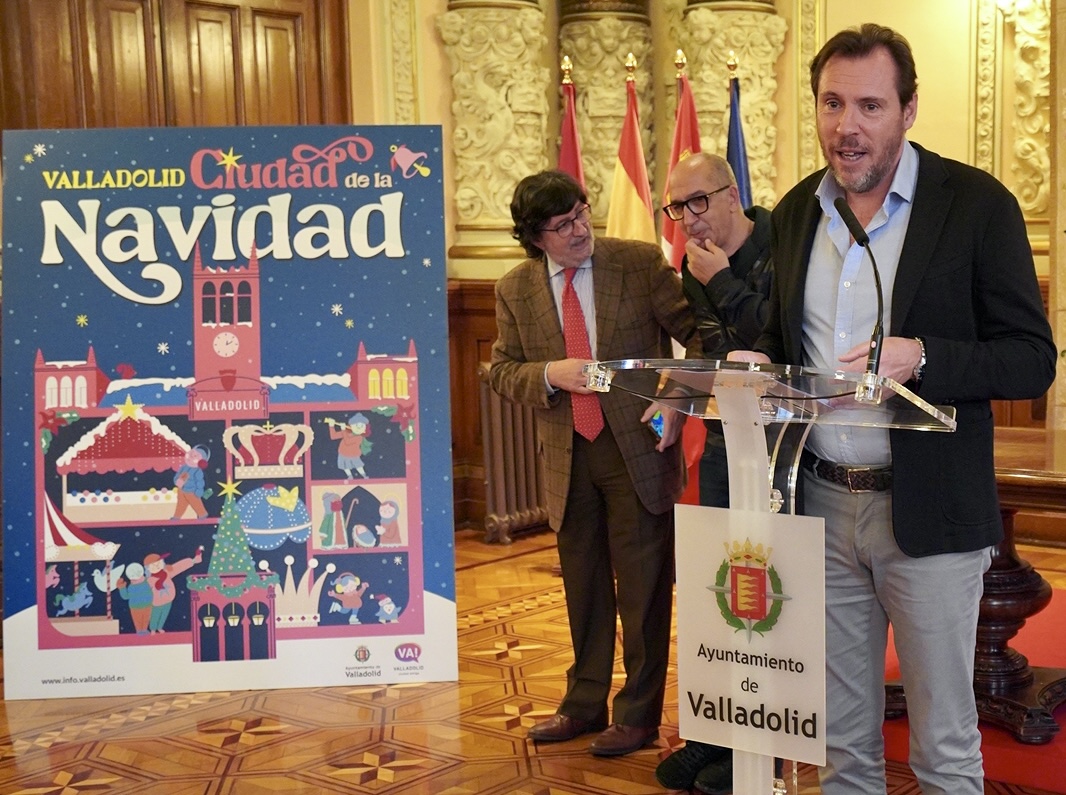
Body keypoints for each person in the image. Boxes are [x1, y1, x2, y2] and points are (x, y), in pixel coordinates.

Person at [729, 24, 1056, 794]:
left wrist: (924, 356)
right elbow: (785, 340)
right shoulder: (796, 212)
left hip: (931, 511)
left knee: (942, 747)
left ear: (908, 109)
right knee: (844, 744)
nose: (847, 126)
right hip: (820, 503)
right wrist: (759, 365)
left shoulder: (976, 205)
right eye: (832, 103)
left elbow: (1031, 359)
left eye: (870, 106)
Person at [489, 170, 698, 757]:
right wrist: (548, 374)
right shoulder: (514, 289)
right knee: (583, 587)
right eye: (563, 225)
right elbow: (502, 370)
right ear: (535, 238)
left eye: (582, 213)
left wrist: (676, 399)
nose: (580, 230)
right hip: (567, 454)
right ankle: (583, 705)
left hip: (638, 447)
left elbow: (699, 336)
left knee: (643, 587)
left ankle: (637, 716)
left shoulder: (637, 262)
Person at [653, 152, 774, 793]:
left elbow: (776, 339)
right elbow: (712, 347)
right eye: (677, 207)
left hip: (787, 443)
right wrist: (677, 397)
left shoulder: (782, 243)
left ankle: (764, 743)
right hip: (728, 435)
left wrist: (724, 279)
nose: (688, 219)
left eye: (698, 202)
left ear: (732, 194)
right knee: (726, 586)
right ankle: (716, 729)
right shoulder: (694, 264)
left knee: (771, 592)